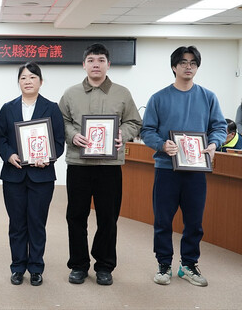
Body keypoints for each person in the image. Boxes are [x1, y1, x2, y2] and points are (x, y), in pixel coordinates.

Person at [140, 46, 226, 287]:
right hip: (167, 169)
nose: (188, 66)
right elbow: (147, 131)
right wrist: (161, 145)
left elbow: (218, 127)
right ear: (174, 67)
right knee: (163, 220)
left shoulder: (208, 97)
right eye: (183, 62)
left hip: (197, 170)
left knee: (194, 221)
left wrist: (214, 143)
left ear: (197, 67)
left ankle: (188, 264)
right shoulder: (159, 98)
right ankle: (164, 264)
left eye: (193, 63)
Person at [58, 43, 142, 286]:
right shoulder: (71, 93)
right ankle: (78, 265)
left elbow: (134, 122)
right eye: (91, 60)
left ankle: (104, 265)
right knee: (76, 216)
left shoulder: (122, 93)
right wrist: (73, 135)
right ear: (84, 64)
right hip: (78, 165)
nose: (96, 64)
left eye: (101, 60)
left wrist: (122, 135)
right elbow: (61, 121)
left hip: (110, 167)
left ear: (108, 64)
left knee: (108, 218)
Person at [0, 62, 65, 286]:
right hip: (13, 175)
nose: (28, 81)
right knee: (17, 223)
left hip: (41, 176)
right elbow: (0, 138)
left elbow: (58, 141)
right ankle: (18, 267)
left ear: (41, 82)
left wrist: (48, 157)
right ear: (19, 82)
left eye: (33, 77)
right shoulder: (8, 108)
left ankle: (36, 267)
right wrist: (9, 155)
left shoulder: (52, 108)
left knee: (37, 222)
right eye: (23, 78)